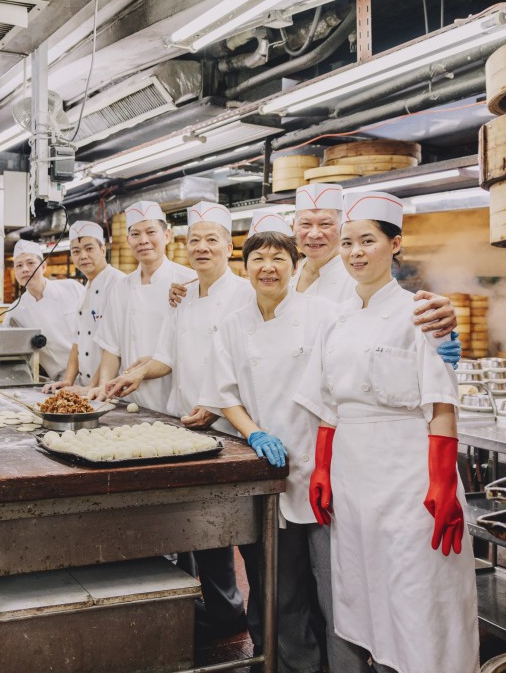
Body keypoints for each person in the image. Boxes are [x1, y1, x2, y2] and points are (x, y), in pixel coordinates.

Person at [295, 192, 479, 673]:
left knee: (418, 595)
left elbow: (441, 404)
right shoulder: (337, 321)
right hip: (354, 482)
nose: (356, 252)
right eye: (349, 242)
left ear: (395, 245)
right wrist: (322, 469)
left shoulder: (421, 313)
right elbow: (329, 405)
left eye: (368, 241)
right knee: (364, 594)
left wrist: (442, 483)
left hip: (408, 482)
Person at [197, 211, 370, 673]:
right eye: (258, 258)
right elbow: (225, 394)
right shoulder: (233, 325)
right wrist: (252, 431)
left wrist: (436, 333)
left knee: (338, 590)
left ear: (294, 267)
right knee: (278, 586)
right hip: (269, 469)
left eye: (278, 258)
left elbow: (372, 339)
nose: (267, 267)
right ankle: (291, 666)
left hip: (326, 470)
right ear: (245, 266)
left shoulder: (325, 315)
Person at [105, 202, 252, 640]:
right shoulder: (184, 294)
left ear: (229, 246)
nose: (203, 248)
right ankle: (212, 608)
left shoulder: (244, 293)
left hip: (230, 428)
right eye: (197, 241)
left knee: (226, 528)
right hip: (187, 425)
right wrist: (130, 377)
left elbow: (246, 364)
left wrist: (215, 404)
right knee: (197, 524)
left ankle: (232, 615)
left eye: (213, 240)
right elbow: (165, 358)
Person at [169, 183, 459, 342]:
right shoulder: (289, 275)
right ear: (294, 226)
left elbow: (391, 315)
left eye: (327, 223)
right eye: (306, 223)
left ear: (342, 224)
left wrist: (443, 326)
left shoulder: (357, 278)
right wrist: (193, 289)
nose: (315, 233)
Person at [90, 201, 195, 411]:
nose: (143, 240)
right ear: (128, 240)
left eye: (151, 232)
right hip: (130, 400)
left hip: (176, 401)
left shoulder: (188, 281)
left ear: (167, 236)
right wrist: (104, 387)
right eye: (136, 234)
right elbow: (111, 347)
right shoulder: (121, 287)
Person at [43, 220, 124, 391]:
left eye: (89, 249)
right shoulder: (85, 288)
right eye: (76, 251)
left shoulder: (118, 284)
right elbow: (78, 342)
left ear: (103, 250)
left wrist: (93, 387)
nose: (83, 256)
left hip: (111, 387)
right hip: (87, 388)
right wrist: (68, 381)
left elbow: (114, 346)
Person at [4, 239, 85, 381]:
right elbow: (4, 348)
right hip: (62, 380)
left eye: (30, 263)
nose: (25, 269)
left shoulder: (72, 288)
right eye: (19, 265)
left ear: (43, 267)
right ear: (15, 272)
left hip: (92, 369)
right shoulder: (15, 311)